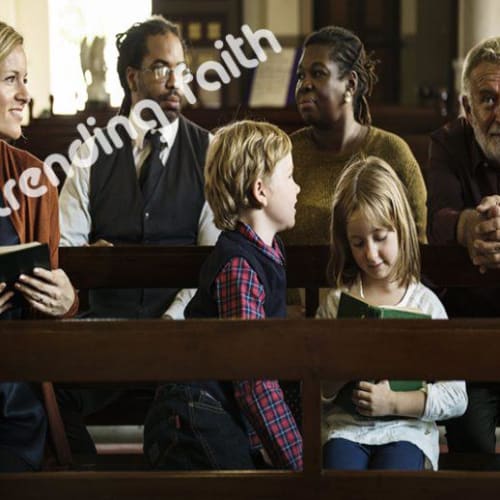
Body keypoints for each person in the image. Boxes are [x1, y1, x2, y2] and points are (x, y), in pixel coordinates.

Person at [56, 15, 219, 456]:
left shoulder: (208, 152)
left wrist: (172, 320)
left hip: (179, 335)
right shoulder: (92, 151)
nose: (175, 81)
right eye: (162, 68)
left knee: (184, 411)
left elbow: (213, 259)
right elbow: (64, 249)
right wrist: (89, 260)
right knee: (44, 390)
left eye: (181, 69)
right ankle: (87, 481)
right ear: (133, 76)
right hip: (108, 332)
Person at [144, 120, 303, 470]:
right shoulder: (240, 266)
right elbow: (251, 377)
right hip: (192, 412)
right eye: (290, 176)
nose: (298, 188)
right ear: (260, 191)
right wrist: (301, 464)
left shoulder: (265, 252)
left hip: (212, 408)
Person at [316, 156, 467, 470]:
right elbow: (316, 389)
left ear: (400, 228)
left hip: (406, 431)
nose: (370, 254)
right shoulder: (336, 303)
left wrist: (395, 402)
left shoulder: (425, 305)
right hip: (346, 429)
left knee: (397, 477)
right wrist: (338, 374)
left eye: (380, 238)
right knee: (339, 475)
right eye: (358, 243)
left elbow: (456, 395)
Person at [0, 22, 78, 472]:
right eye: (11, 79)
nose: (25, 94)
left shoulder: (34, 180)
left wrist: (65, 301)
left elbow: (49, 299)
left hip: (13, 398)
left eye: (25, 79)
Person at [284, 25, 427, 246]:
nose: (304, 84)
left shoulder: (391, 152)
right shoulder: (286, 154)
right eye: (301, 75)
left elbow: (417, 245)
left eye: (318, 73)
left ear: (350, 84)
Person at [425, 36, 500, 453]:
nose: (498, 114)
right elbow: (437, 220)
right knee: (472, 451)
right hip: (470, 331)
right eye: (487, 100)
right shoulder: (446, 142)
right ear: (466, 108)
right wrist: (472, 224)